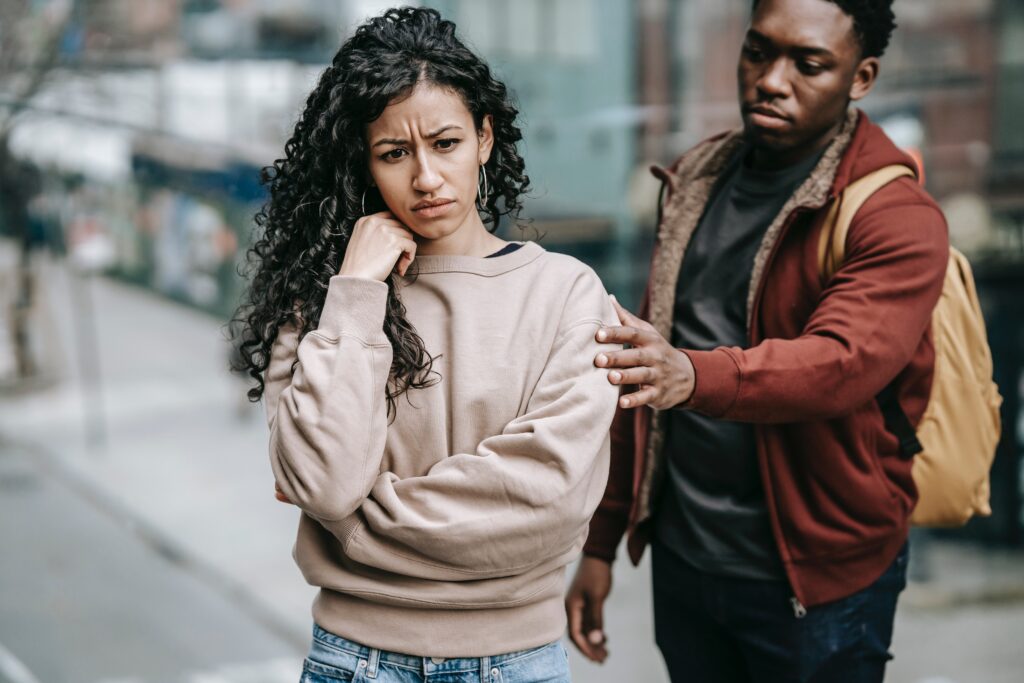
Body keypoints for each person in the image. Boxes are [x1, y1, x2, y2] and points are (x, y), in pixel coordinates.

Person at [231, 7, 619, 683]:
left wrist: (352, 527)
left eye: (445, 143)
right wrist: (355, 288)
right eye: (394, 153)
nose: (427, 178)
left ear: (485, 138)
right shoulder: (327, 302)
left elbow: (546, 502)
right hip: (354, 661)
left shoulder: (567, 294)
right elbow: (325, 481)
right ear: (365, 162)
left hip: (520, 661)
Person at [566, 0, 949, 681]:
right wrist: (601, 540)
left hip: (816, 579)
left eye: (808, 64)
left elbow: (841, 362)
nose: (771, 80)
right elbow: (643, 370)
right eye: (757, 52)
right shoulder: (698, 180)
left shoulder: (896, 214)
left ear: (861, 77)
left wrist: (692, 374)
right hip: (686, 561)